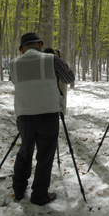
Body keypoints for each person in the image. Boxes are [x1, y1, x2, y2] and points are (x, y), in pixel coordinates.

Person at [9, 32, 75, 205]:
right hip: (48, 113)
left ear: (22, 49)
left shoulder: (13, 64)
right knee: (45, 156)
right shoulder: (51, 60)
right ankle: (39, 194)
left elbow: (16, 82)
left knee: (25, 152)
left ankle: (18, 190)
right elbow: (70, 78)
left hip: (24, 114)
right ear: (39, 44)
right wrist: (55, 59)